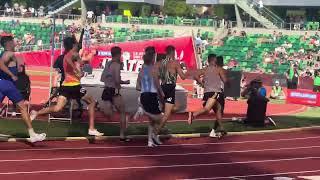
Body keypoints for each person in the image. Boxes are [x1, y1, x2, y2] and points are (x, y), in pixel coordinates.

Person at [30, 36, 104, 137]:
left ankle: (36, 113)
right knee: (92, 102)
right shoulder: (71, 54)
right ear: (73, 45)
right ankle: (91, 128)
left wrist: (83, 63)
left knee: (57, 108)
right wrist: (76, 70)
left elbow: (80, 62)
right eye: (76, 43)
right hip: (74, 85)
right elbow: (69, 60)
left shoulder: (73, 54)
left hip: (65, 85)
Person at [0, 35, 46, 142]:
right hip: (7, 84)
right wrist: (11, 74)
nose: (15, 43)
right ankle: (32, 134)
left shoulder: (4, 53)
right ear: (9, 44)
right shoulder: (9, 54)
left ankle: (32, 134)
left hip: (2, 83)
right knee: (22, 107)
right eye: (13, 42)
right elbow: (1, 64)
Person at [188, 55, 228, 137]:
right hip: (216, 92)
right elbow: (225, 81)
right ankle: (193, 115)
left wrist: (202, 84)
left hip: (208, 92)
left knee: (218, 109)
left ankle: (220, 128)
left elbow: (195, 75)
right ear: (214, 60)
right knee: (207, 109)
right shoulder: (218, 69)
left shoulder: (206, 69)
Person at [154, 45, 189, 134]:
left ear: (166, 53)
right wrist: (186, 68)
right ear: (173, 52)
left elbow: (156, 77)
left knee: (166, 109)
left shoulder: (160, 63)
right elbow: (183, 77)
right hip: (170, 88)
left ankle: (160, 126)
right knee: (168, 112)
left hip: (162, 87)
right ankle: (156, 131)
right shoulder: (175, 63)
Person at [100, 46, 130, 142]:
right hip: (114, 91)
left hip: (106, 89)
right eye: (120, 54)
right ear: (118, 54)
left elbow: (102, 78)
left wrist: (109, 80)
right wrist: (125, 82)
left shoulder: (108, 63)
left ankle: (96, 106)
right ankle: (122, 135)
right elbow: (117, 80)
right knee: (122, 113)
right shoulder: (116, 65)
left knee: (108, 114)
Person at [136, 53, 164, 147]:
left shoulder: (142, 71)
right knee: (160, 119)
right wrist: (161, 94)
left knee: (151, 121)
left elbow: (137, 87)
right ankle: (143, 112)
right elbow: (157, 84)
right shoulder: (154, 70)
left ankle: (150, 141)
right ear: (152, 60)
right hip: (152, 95)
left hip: (143, 94)